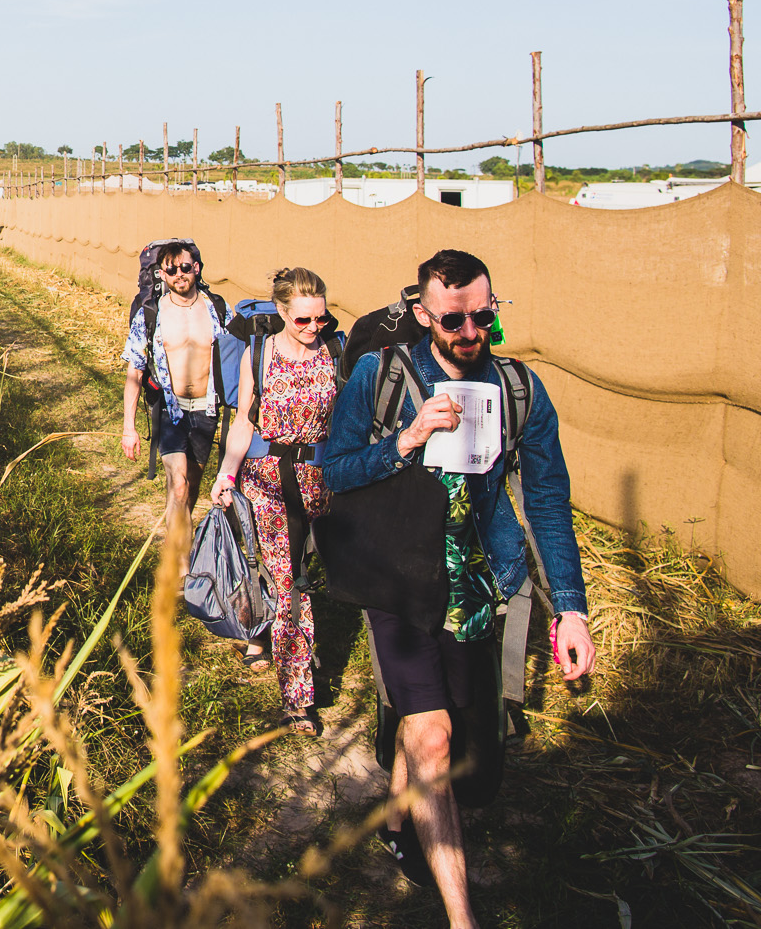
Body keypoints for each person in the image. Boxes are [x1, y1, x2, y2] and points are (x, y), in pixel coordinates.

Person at [323, 249, 595, 929]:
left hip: (481, 584)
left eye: (483, 314)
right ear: (422, 313)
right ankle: (462, 918)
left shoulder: (518, 388)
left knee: (473, 773)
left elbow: (549, 499)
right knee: (436, 739)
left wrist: (571, 609)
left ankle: (396, 814)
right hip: (399, 579)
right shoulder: (378, 376)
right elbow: (334, 471)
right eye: (454, 319)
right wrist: (406, 439)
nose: (471, 330)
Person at [212, 268, 338, 734]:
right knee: (291, 583)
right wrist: (226, 475)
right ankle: (298, 694)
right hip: (268, 480)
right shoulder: (258, 354)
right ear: (281, 312)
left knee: (332, 575)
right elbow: (244, 422)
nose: (312, 329)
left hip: (323, 480)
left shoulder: (336, 352)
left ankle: (276, 637)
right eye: (303, 320)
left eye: (320, 320)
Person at [121, 241, 226, 512]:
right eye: (171, 270)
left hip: (207, 411)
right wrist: (128, 428)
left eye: (186, 267)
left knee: (188, 493)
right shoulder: (150, 314)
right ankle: (178, 555)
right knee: (178, 485)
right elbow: (135, 370)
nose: (179, 274)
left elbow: (236, 359)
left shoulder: (218, 310)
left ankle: (177, 547)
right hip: (169, 410)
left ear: (197, 269)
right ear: (163, 275)